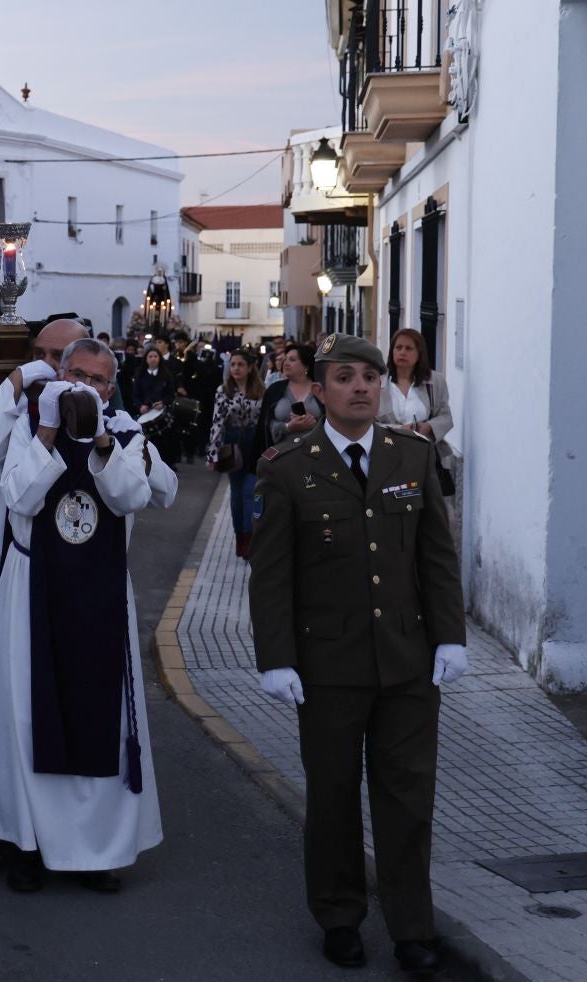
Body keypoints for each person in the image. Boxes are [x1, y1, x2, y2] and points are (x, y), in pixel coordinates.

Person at [247, 333, 465, 974]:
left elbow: (437, 558)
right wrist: (276, 658)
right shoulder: (288, 467)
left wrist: (449, 636)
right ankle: (340, 915)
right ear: (319, 389)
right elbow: (271, 574)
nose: (363, 387)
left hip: (407, 663)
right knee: (334, 797)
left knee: (407, 797)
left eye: (370, 376)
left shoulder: (412, 456)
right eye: (345, 377)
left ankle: (412, 927)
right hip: (328, 666)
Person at [0, 337, 174, 895]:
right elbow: (18, 496)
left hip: (101, 591)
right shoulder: (27, 427)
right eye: (78, 375)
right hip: (33, 584)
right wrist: (45, 432)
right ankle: (28, 844)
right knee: (27, 717)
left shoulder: (126, 432)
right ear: (60, 374)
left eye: (100, 380)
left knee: (101, 721)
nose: (87, 387)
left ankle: (96, 852)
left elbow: (134, 497)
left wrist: (102, 440)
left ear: (112, 388)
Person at [0, 315, 89, 867]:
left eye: (61, 355)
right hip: (7, 570)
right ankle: (0, 822)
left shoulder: (95, 412)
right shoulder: (21, 409)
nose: (52, 365)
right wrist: (15, 385)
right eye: (43, 353)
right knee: (2, 708)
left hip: (72, 578)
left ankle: (63, 830)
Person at [377, 328, 455, 497]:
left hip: (424, 457)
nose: (402, 352)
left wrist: (427, 427)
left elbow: (446, 416)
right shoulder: (378, 382)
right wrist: (399, 430)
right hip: (387, 455)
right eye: (398, 348)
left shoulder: (435, 381)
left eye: (408, 348)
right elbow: (367, 422)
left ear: (419, 353)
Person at [207, 348, 265, 558]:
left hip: (255, 444)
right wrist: (212, 455)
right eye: (233, 365)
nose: (236, 369)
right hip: (233, 443)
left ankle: (251, 539)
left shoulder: (261, 390)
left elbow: (264, 421)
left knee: (252, 491)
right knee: (237, 493)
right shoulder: (223, 391)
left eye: (241, 364)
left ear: (250, 367)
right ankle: (240, 537)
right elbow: (217, 422)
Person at [251, 341, 322, 473]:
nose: (286, 363)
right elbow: (264, 426)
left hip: (316, 459)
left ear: (306, 365)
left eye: (292, 359)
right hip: (281, 459)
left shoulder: (321, 389)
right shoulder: (275, 390)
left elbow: (336, 423)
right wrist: (288, 427)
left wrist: (314, 424)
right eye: (285, 359)